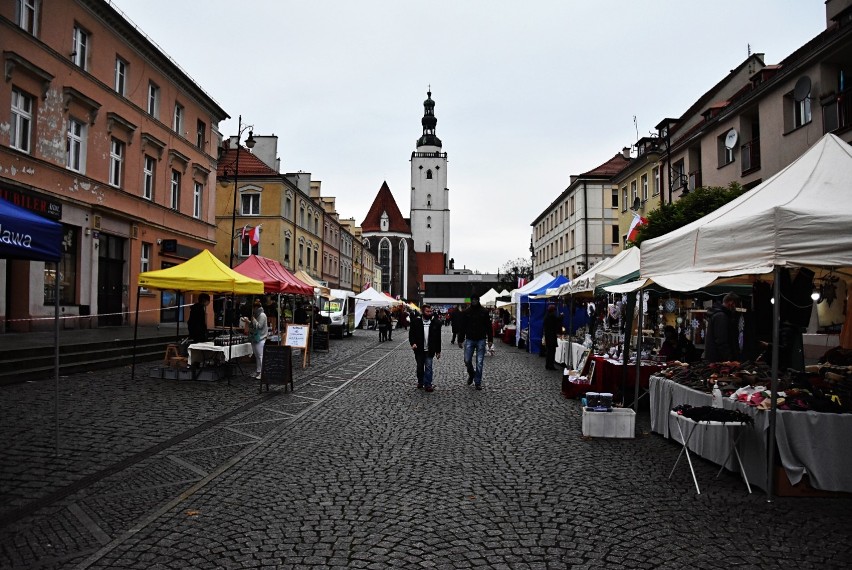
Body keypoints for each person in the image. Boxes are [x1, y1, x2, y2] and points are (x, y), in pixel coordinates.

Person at [458, 296, 494, 390]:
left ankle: (478, 382)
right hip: (469, 338)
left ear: (478, 300)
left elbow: (489, 326)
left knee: (479, 362)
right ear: (471, 301)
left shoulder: (484, 312)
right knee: (467, 360)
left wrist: (490, 339)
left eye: (476, 300)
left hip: (481, 339)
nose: (474, 301)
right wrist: (460, 339)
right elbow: (463, 326)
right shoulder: (466, 312)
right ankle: (472, 374)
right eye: (473, 300)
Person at [409, 304, 442, 392]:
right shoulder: (416, 321)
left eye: (430, 311)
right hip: (419, 349)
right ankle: (420, 381)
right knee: (420, 366)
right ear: (423, 312)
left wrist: (438, 351)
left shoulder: (435, 323)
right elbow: (411, 334)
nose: (429, 313)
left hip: (430, 349)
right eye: (427, 311)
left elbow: (438, 338)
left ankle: (428, 384)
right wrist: (413, 343)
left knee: (428, 367)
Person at [704, 293, 741, 363]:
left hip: (717, 360)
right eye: (736, 305)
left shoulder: (719, 315)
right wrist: (729, 359)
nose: (735, 308)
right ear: (731, 303)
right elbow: (721, 341)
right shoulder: (721, 317)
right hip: (720, 362)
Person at [246, 299, 268, 379]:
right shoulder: (256, 314)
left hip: (260, 338)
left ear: (256, 308)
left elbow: (259, 326)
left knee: (260, 356)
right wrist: (248, 321)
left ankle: (262, 373)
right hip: (255, 338)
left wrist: (254, 320)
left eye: (253, 308)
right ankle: (258, 371)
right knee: (257, 356)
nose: (253, 310)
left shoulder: (262, 315)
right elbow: (253, 326)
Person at [542, 304, 562, 370]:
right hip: (551, 337)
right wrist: (562, 316)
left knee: (548, 352)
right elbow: (557, 321)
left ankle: (548, 365)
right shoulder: (552, 316)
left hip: (548, 336)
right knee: (552, 352)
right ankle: (550, 365)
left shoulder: (546, 316)